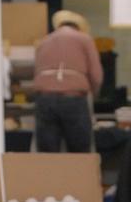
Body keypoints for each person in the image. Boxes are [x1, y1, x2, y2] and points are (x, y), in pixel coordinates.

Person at [32, 9, 101, 153]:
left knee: (47, 153)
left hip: (44, 100)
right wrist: (94, 94)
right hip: (73, 99)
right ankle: (77, 176)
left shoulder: (44, 41)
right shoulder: (85, 39)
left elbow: (36, 72)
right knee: (79, 152)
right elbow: (96, 74)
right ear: (79, 27)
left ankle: (49, 175)